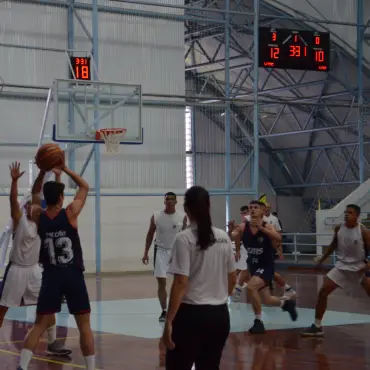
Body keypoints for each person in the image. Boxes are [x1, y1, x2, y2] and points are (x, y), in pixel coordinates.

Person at [17, 165, 95, 370]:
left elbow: (35, 192)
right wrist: (66, 170)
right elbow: (84, 186)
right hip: (73, 276)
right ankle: (91, 367)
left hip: (51, 276)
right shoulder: (70, 214)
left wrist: (43, 172)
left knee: (39, 326)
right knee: (84, 327)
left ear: (46, 198)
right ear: (61, 198)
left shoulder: (38, 215)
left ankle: (22, 367)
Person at [0, 162, 71, 356]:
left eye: (35, 204)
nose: (33, 206)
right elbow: (13, 201)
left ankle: (53, 343)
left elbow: (56, 201)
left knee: (49, 305)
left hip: (34, 270)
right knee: (3, 308)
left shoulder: (44, 223)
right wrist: (14, 182)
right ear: (25, 209)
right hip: (16, 269)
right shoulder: (19, 220)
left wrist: (53, 175)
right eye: (30, 205)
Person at [162, 186, 237, 370]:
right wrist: (218, 299)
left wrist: (169, 320)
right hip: (219, 316)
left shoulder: (183, 239)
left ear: (186, 209)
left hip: (190, 315)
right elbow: (233, 278)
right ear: (209, 205)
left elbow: (180, 283)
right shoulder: (223, 237)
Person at [301, 204, 370, 337]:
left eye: (350, 213)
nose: (346, 215)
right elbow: (333, 245)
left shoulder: (363, 231)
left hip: (359, 268)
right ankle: (317, 326)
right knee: (323, 292)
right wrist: (321, 261)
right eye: (345, 212)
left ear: (356, 215)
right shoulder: (339, 228)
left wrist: (368, 266)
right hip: (342, 267)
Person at [229, 200, 297, 334]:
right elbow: (233, 236)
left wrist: (262, 229)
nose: (252, 210)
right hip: (253, 264)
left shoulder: (267, 225)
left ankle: (258, 322)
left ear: (262, 211)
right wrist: (231, 231)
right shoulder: (244, 226)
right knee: (267, 299)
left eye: (255, 208)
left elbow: (278, 238)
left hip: (266, 265)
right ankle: (286, 305)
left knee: (251, 287)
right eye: (250, 208)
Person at [142, 192, 187, 321]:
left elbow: (186, 236)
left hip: (177, 252)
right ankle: (164, 310)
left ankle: (178, 308)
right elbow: (150, 234)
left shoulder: (182, 217)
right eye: (167, 199)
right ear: (164, 201)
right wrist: (145, 252)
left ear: (176, 201)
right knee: (161, 282)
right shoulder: (156, 216)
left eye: (172, 199)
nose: (169, 201)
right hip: (160, 251)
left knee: (179, 282)